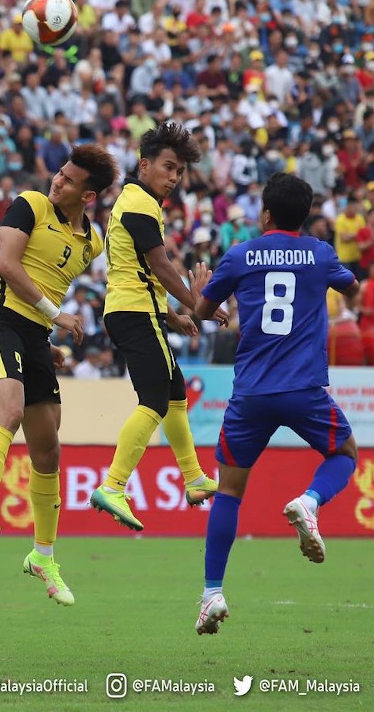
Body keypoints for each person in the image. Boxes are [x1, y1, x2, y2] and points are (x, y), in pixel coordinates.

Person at [189, 173, 360, 635]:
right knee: (344, 454)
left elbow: (201, 315)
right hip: (304, 388)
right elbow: (352, 287)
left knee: (228, 491)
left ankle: (212, 594)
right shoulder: (320, 253)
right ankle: (309, 500)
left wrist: (201, 286)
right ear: (304, 216)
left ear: (265, 214)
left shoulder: (241, 253)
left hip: (251, 393)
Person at [0, 145, 117, 607]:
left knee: (48, 449)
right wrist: (61, 317)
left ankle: (43, 556)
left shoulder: (93, 242)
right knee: (7, 411)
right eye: (59, 173)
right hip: (1, 321)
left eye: (69, 180)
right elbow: (7, 268)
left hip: (34, 339)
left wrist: (45, 340)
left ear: (88, 195)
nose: (58, 181)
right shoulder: (30, 204)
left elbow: (50, 278)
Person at [89, 122, 228, 532]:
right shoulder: (137, 204)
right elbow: (160, 266)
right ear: (144, 165)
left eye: (180, 172)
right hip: (133, 315)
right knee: (154, 401)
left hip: (138, 311)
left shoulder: (140, 203)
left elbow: (135, 273)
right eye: (168, 167)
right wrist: (199, 304)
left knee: (174, 392)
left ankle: (194, 477)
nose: (174, 177)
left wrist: (173, 316)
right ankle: (113, 485)